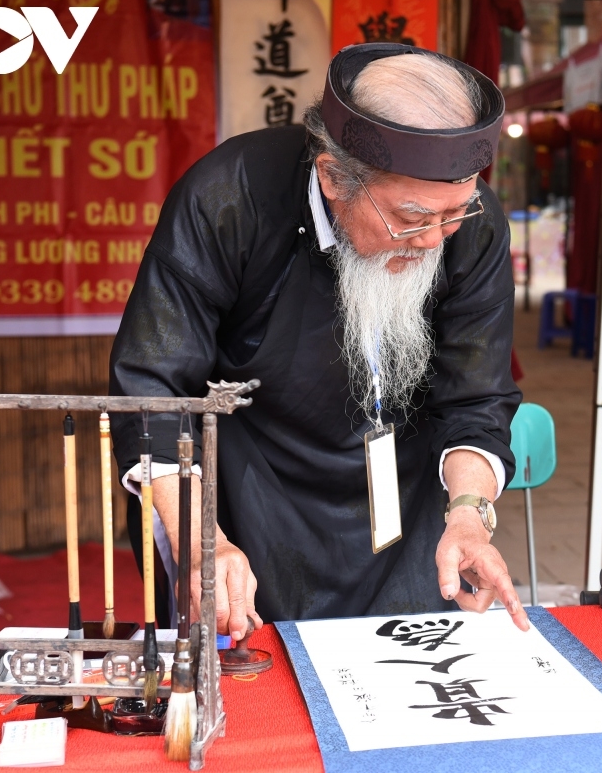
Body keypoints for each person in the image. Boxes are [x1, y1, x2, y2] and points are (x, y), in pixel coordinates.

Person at [109, 43, 530, 641]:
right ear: (333, 176)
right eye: (411, 218)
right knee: (258, 688)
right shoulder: (229, 195)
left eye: (455, 213)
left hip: (404, 499)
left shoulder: (470, 223)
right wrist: (204, 542)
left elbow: (477, 397)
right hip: (248, 493)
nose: (436, 240)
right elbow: (153, 386)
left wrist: (468, 514)